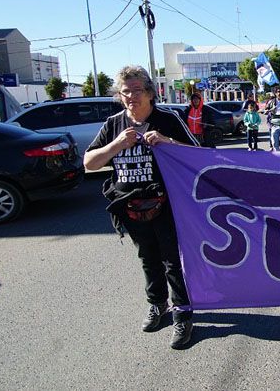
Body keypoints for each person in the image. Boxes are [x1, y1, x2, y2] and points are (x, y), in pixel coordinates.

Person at [83, 65, 199, 349]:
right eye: (126, 92)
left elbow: (199, 154)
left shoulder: (167, 119)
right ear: (119, 96)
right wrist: (115, 146)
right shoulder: (114, 124)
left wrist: (167, 141)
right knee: (148, 257)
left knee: (172, 259)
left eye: (138, 90)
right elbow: (89, 164)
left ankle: (182, 313)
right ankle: (157, 304)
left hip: (168, 202)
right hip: (130, 205)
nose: (132, 96)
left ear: (149, 93)